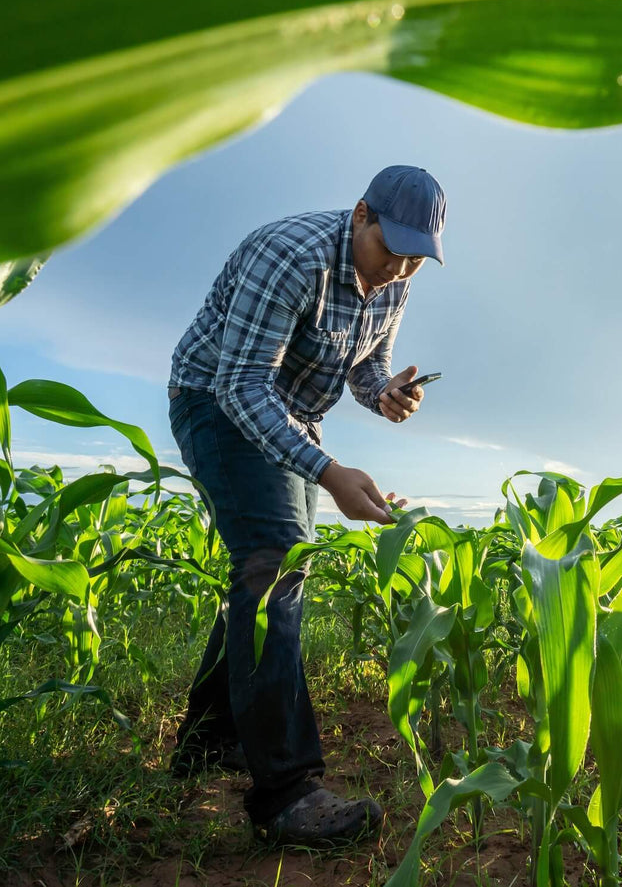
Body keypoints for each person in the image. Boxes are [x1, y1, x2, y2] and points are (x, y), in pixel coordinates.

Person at [164, 164, 445, 847]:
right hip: (216, 403)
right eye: (392, 247)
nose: (399, 268)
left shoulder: (395, 279)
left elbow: (364, 363)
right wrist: (329, 472)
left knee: (277, 567)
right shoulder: (289, 256)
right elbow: (240, 385)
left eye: (416, 257)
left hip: (289, 418)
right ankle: (285, 793)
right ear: (359, 215)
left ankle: (209, 738)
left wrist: (386, 393)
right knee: (274, 567)